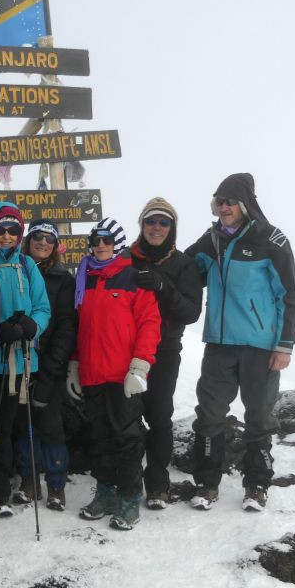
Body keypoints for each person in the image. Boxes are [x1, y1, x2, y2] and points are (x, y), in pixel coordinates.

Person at [185, 173, 295, 512]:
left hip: (260, 346)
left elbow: (289, 296)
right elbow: (184, 268)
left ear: (245, 204)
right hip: (220, 344)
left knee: (259, 417)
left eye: (230, 201)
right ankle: (206, 484)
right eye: (219, 201)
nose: (224, 207)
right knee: (209, 414)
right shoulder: (212, 240)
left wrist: (285, 345)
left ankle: (257, 485)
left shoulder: (271, 239)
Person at [70, 218, 161, 530]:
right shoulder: (84, 279)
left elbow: (149, 324)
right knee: (100, 438)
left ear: (117, 244)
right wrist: (74, 364)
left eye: (107, 240)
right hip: (92, 374)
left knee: (127, 438)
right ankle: (106, 493)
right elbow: (78, 328)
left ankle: (129, 498)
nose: (100, 245)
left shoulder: (133, 279)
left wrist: (140, 365)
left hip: (123, 375)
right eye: (96, 239)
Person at [0, 202, 51, 519]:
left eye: (12, 230)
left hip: (17, 362)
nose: (6, 236)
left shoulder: (27, 266)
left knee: (3, 430)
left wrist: (32, 326)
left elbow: (42, 307)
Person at [129, 199, 204, 509]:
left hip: (165, 349)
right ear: (142, 225)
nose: (156, 227)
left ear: (172, 228)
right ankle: (129, 481)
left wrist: (164, 286)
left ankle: (158, 484)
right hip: (128, 350)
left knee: (159, 416)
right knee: (127, 417)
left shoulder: (184, 264)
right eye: (151, 221)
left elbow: (191, 312)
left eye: (164, 222)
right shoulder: (125, 258)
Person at [18, 220, 78, 511]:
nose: (43, 243)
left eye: (49, 240)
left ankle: (56, 484)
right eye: (38, 237)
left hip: (49, 363)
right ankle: (28, 480)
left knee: (50, 424)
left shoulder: (62, 279)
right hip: (17, 360)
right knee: (23, 424)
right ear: (28, 239)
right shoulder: (15, 270)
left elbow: (67, 327)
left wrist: (53, 368)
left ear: (56, 247)